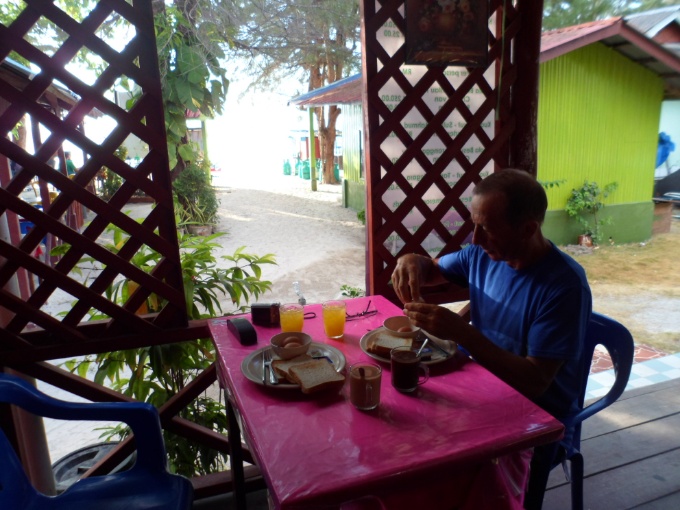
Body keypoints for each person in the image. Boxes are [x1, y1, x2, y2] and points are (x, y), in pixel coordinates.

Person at [391, 168, 592, 508]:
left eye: (486, 228)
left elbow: (535, 382)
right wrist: (413, 261)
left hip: (536, 417)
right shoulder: (482, 255)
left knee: (441, 468)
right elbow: (433, 267)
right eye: (473, 224)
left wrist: (459, 332)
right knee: (400, 438)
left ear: (528, 229)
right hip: (481, 390)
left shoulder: (564, 286)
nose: (474, 238)